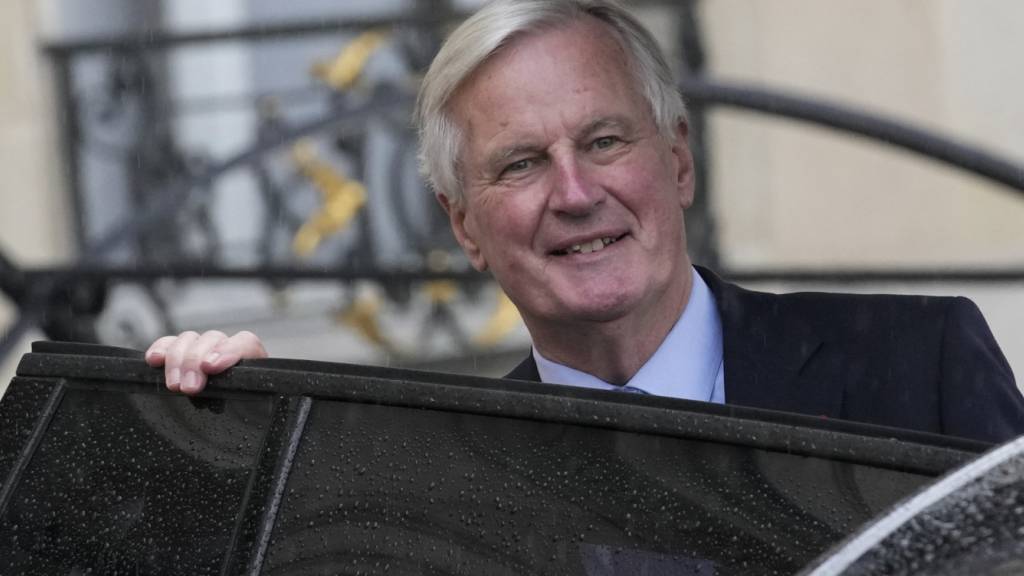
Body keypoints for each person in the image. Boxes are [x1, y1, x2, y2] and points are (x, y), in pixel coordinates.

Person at [146, 0, 1024, 443]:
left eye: (604, 142)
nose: (573, 192)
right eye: (520, 163)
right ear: (464, 226)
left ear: (678, 161)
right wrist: (254, 435)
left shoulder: (922, 364)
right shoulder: (448, 466)